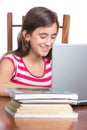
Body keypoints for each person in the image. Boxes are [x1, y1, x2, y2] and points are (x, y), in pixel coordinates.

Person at [0, 6, 59, 96]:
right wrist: (41, 90)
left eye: (53, 37)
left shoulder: (53, 64)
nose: (48, 43)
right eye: (43, 36)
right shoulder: (11, 61)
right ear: (27, 36)